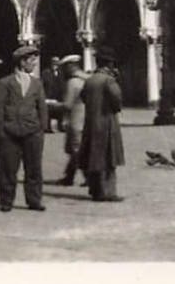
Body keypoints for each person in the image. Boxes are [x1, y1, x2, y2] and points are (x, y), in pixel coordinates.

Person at [0, 44, 48, 212]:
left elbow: (42, 108)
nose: (34, 64)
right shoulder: (5, 83)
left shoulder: (37, 83)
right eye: (31, 61)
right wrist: (1, 132)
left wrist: (41, 130)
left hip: (33, 132)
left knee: (34, 169)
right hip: (10, 132)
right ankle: (6, 201)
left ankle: (34, 200)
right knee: (9, 169)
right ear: (22, 62)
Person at [79, 49, 126, 202]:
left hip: (91, 123)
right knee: (108, 157)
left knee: (94, 157)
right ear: (110, 64)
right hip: (107, 123)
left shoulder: (90, 80)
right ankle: (108, 192)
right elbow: (117, 99)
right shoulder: (108, 80)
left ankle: (95, 190)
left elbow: (83, 97)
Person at [53, 56, 88, 187]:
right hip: (86, 119)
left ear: (70, 66)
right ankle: (69, 176)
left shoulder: (72, 82)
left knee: (76, 150)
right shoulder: (87, 79)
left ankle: (88, 176)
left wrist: (52, 105)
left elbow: (67, 105)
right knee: (76, 150)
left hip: (75, 120)